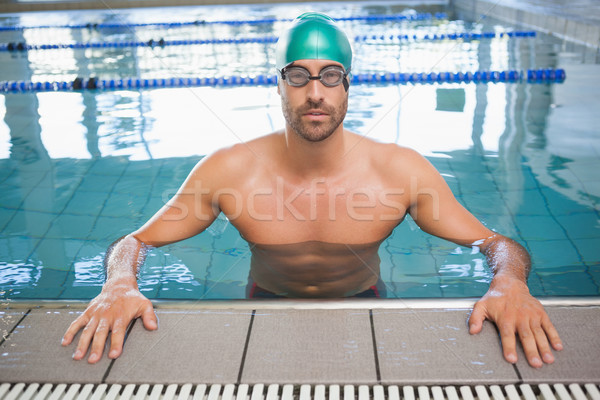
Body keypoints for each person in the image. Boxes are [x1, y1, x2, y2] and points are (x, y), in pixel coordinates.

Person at [62, 12, 562, 367]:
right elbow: (135, 241)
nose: (315, 92)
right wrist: (119, 284)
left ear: (349, 84)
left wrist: (508, 283)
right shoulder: (228, 170)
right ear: (279, 85)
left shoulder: (400, 171)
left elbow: (497, 244)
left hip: (365, 297)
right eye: (299, 76)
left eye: (330, 76)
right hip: (265, 300)